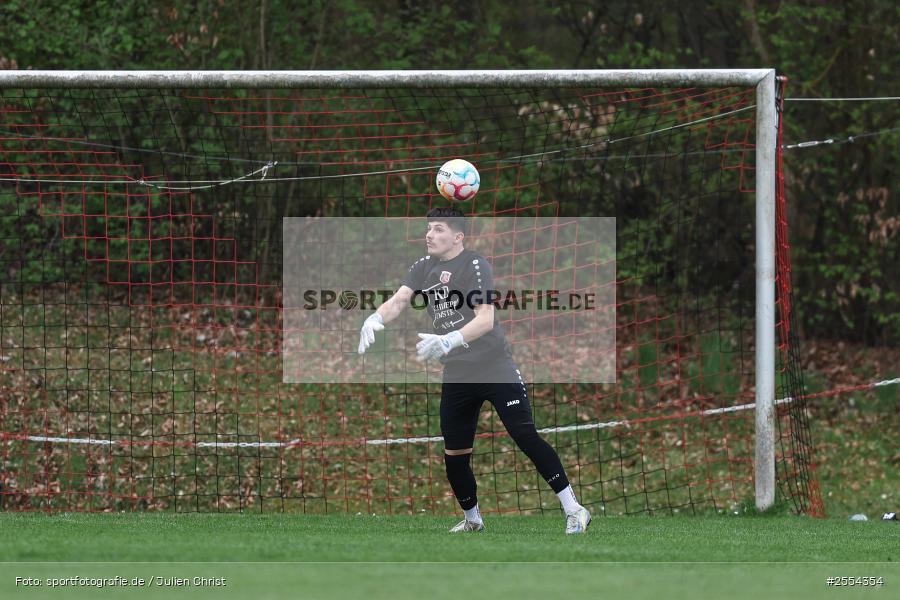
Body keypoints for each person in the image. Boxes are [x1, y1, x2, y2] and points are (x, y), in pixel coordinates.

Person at [358, 206, 591, 534]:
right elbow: (398, 301)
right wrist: (375, 318)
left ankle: (574, 509)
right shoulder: (423, 267)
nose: (429, 234)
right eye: (429, 228)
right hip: (458, 373)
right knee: (455, 454)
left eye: (438, 229)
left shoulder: (475, 264)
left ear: (457, 237)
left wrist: (450, 339)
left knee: (524, 434)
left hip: (494, 365)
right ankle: (472, 520)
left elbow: (486, 319)